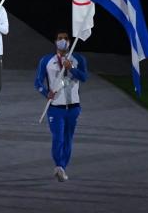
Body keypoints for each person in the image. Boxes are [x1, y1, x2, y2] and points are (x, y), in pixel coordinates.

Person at [35, 30, 88, 182]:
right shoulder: (46, 60)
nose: (62, 40)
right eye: (60, 38)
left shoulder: (78, 59)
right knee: (57, 138)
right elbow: (37, 82)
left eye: (65, 38)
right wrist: (46, 93)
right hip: (55, 107)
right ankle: (59, 165)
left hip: (73, 107)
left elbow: (84, 77)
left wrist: (71, 68)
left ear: (70, 42)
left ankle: (62, 167)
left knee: (68, 138)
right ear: (55, 41)